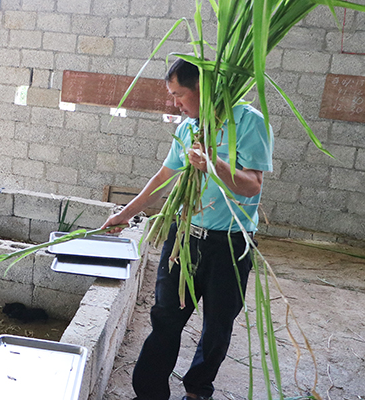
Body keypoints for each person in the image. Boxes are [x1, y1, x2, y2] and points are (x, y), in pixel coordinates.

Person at [101, 58, 274, 400]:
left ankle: (197, 391)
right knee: (165, 317)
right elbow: (163, 179)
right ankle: (149, 393)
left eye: (179, 94)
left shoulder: (249, 122)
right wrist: (124, 213)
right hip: (183, 238)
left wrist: (214, 163)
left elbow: (252, 185)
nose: (175, 103)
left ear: (202, 89)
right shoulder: (186, 130)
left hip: (230, 244)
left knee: (217, 327)